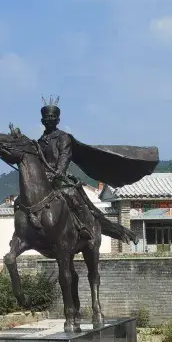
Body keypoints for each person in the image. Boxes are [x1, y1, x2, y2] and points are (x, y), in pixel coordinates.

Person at [37, 98, 103, 240]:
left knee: (72, 196)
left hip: (58, 177)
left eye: (52, 117)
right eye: (46, 117)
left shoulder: (63, 137)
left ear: (58, 120)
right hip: (43, 179)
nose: (48, 120)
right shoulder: (39, 142)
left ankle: (84, 226)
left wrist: (57, 173)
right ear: (42, 120)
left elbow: (64, 157)